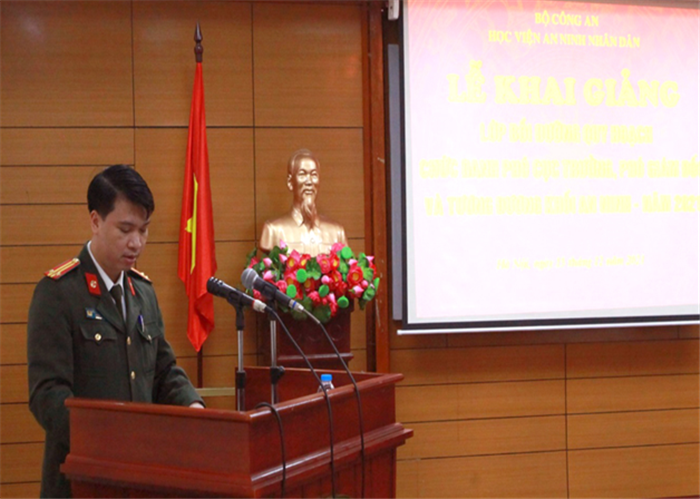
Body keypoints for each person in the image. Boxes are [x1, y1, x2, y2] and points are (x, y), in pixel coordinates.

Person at [27, 164, 204, 499]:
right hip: (82, 480)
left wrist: (194, 410)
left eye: (144, 230)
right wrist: (108, 440)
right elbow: (47, 394)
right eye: (125, 229)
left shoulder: (143, 292)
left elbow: (163, 372)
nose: (136, 243)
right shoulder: (59, 293)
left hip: (141, 478)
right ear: (95, 221)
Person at [260, 148, 347, 257]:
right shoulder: (273, 230)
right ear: (290, 182)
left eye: (314, 175)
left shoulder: (337, 232)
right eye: (302, 174)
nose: (309, 182)